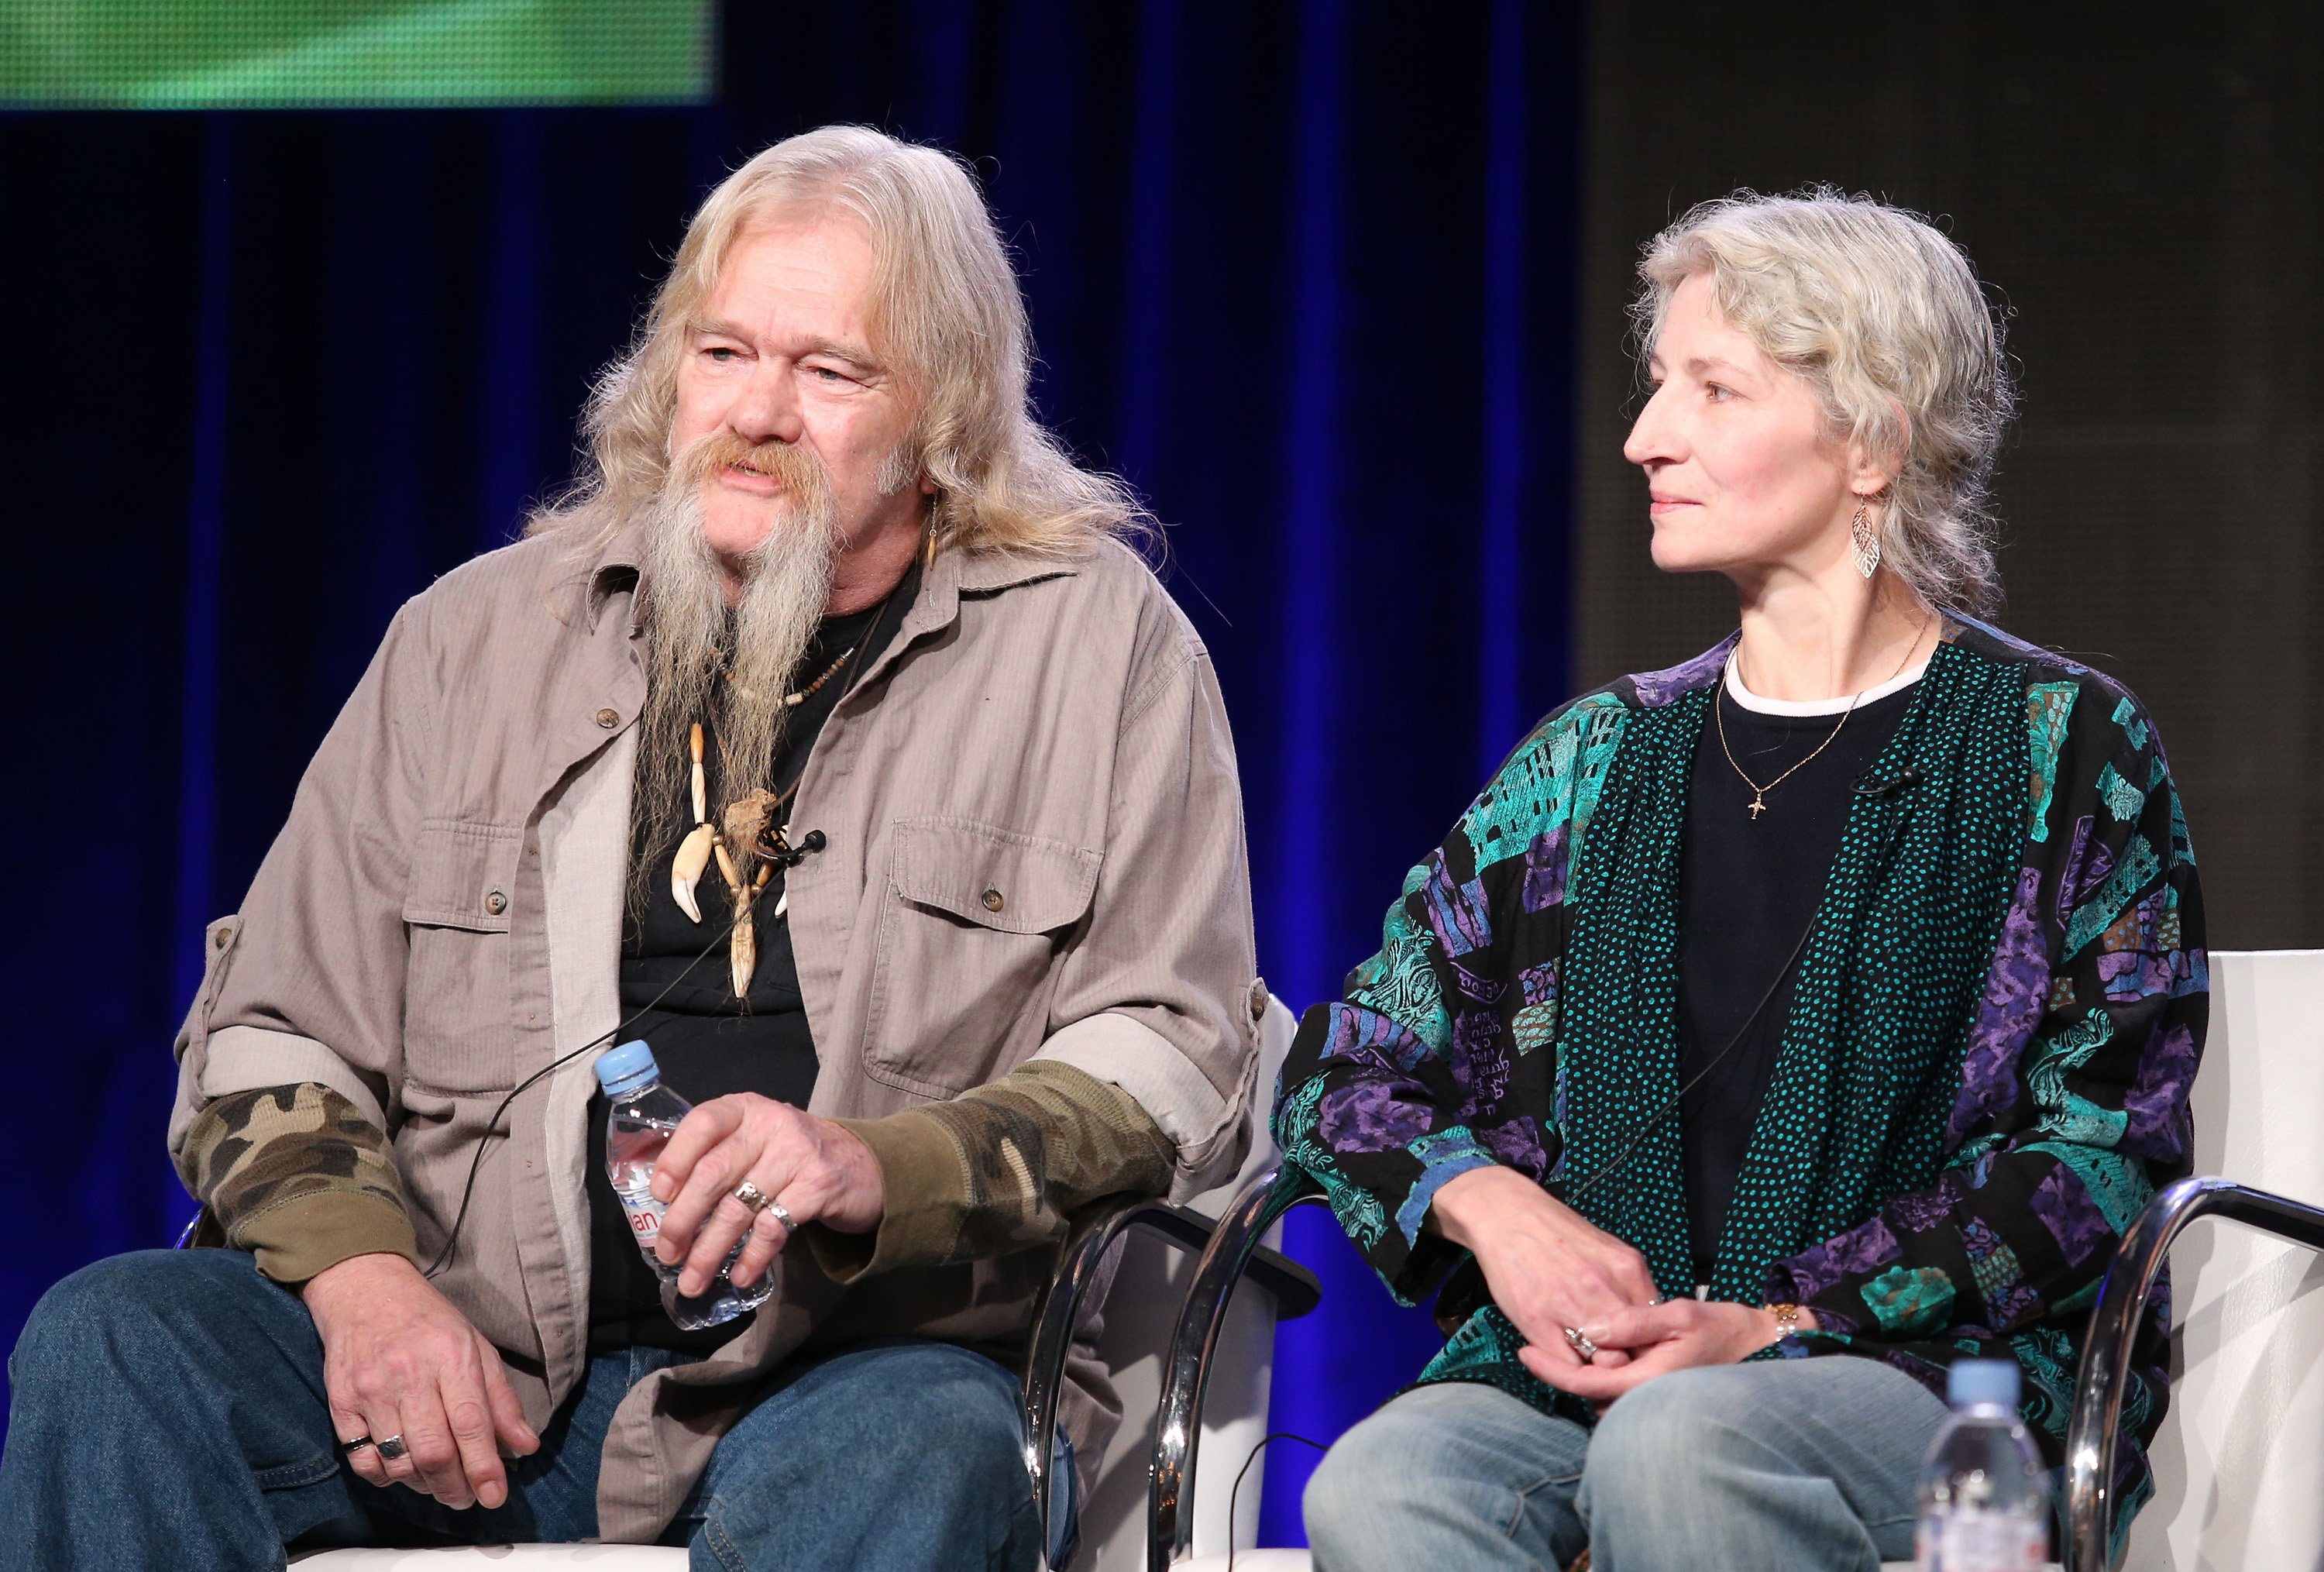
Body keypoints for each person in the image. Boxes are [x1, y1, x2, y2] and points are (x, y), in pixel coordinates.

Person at [0, 126, 1260, 1571]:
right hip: (468, 1364)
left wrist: (875, 1164)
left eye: (830, 371)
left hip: (848, 1372)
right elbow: (271, 1030)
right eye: (723, 355)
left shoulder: (1095, 647)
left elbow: (1173, 1054)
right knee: (112, 1341)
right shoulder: (475, 638)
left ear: (946, 417)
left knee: (921, 1444)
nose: (758, 413)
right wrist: (363, 1283)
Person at [1281, 190, 2204, 1571]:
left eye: (1714, 389)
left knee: (1688, 1438)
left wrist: (1775, 1327)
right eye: (1660, 386)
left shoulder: (2058, 750)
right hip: (1600, 1379)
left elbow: (2096, 1156)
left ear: (1875, 441)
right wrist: (1497, 1209)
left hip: (1941, 1383)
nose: (1648, 436)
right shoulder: (1592, 764)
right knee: (1386, 1480)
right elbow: (1346, 1067)